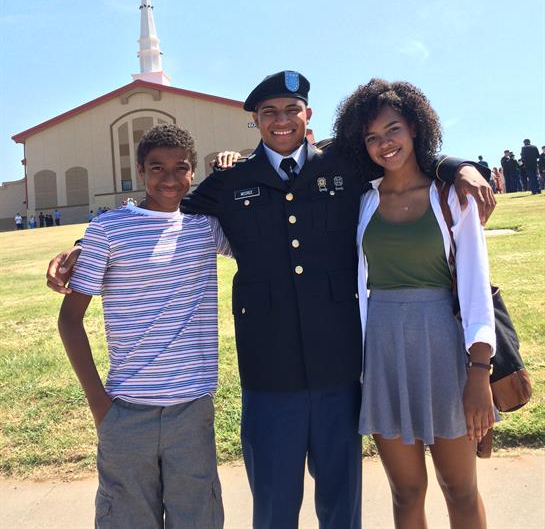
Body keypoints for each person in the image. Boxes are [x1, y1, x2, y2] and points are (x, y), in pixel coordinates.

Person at [47, 71, 494, 529]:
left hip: (338, 371)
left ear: (308, 115)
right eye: (269, 113)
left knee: (343, 507)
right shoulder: (230, 181)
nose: (281, 122)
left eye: (291, 110)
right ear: (255, 121)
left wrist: (459, 167)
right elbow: (164, 209)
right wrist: (85, 246)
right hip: (269, 376)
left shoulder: (343, 166)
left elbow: (404, 154)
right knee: (275, 509)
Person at [334, 79, 495, 529]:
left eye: (394, 130)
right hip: (383, 353)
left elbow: (476, 289)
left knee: (459, 488)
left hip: (445, 350)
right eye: (372, 137)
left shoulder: (451, 197)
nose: (385, 144)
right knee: (406, 492)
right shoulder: (363, 201)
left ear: (415, 129)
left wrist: (479, 373)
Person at [57, 124, 229, 528]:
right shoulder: (107, 230)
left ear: (193, 172)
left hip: (192, 408)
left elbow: (263, 231)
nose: (169, 179)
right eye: (157, 168)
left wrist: (235, 167)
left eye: (181, 168)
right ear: (140, 170)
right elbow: (69, 321)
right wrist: (100, 405)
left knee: (198, 517)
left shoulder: (206, 227)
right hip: (126, 410)